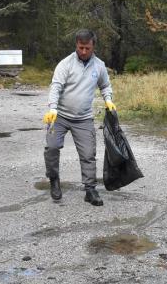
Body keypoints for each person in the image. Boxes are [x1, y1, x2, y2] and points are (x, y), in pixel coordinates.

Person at [43, 29, 116, 206]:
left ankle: (90, 190)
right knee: (52, 147)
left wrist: (108, 100)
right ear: (76, 45)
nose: (84, 52)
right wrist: (53, 108)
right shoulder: (65, 64)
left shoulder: (99, 66)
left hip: (83, 119)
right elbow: (56, 87)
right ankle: (54, 180)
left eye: (87, 48)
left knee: (88, 154)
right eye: (81, 47)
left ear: (93, 47)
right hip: (59, 116)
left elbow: (105, 86)